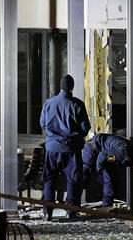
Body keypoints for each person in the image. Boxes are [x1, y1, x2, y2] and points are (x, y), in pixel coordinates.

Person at [40, 74, 91, 220]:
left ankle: (47, 212)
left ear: (60, 87)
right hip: (71, 149)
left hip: (52, 148)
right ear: (72, 87)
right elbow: (85, 128)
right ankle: (70, 211)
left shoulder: (49, 103)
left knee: (50, 179)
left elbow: (43, 124)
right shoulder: (77, 104)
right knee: (73, 180)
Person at [81, 133, 133, 207]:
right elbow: (102, 156)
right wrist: (99, 172)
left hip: (106, 151)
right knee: (86, 173)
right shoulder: (123, 153)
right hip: (93, 146)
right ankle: (74, 203)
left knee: (111, 180)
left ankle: (107, 207)